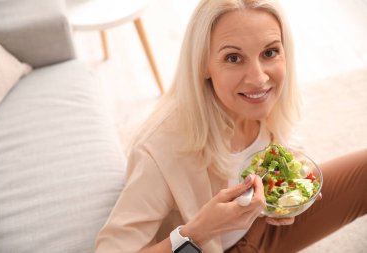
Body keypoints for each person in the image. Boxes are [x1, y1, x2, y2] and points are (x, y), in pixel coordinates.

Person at [95, 0, 367, 252]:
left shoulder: (267, 103)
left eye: (270, 52)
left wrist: (282, 196)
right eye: (234, 58)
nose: (259, 78)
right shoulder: (159, 147)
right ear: (203, 64)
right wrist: (199, 231)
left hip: (264, 227)